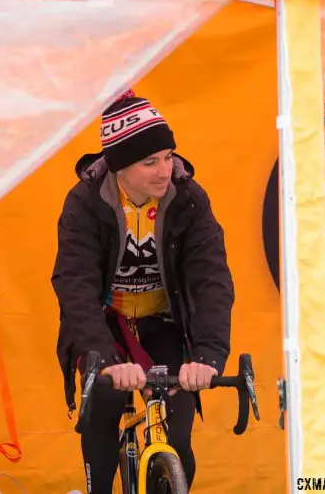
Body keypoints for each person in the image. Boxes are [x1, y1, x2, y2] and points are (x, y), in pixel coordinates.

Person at [51, 89, 234, 492]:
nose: (164, 170)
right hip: (106, 324)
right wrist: (105, 358)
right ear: (119, 167)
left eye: (168, 156)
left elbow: (211, 279)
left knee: (179, 436)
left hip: (165, 323)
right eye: (150, 161)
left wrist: (207, 354)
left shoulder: (188, 198)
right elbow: (74, 284)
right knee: (104, 413)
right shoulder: (84, 202)